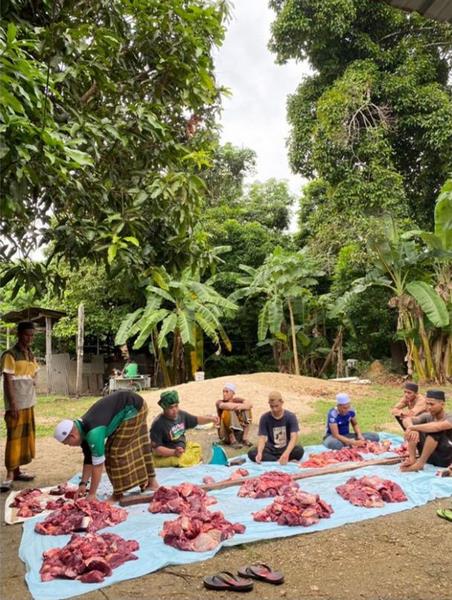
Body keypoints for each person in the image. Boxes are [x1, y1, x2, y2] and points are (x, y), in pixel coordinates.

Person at [53, 390, 158, 502]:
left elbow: (98, 465)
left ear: (72, 436)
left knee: (115, 452)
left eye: (68, 443)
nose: (70, 446)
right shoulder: (81, 429)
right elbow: (89, 459)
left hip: (134, 409)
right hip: (130, 404)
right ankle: (151, 483)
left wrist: (92, 494)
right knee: (131, 445)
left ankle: (118, 494)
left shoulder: (93, 433)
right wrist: (83, 484)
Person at [1, 321, 39, 492]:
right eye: (26, 335)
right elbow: (8, 381)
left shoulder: (30, 354)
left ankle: (17, 471)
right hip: (16, 403)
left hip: (29, 401)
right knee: (14, 437)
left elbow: (34, 373)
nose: (29, 338)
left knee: (26, 436)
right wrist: (13, 404)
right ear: (19, 334)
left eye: (32, 335)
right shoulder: (10, 354)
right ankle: (9, 474)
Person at [150, 390, 219, 467]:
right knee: (182, 460)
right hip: (167, 455)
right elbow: (156, 449)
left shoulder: (181, 414)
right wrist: (173, 452)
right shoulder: (158, 424)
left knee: (196, 447)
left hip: (182, 449)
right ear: (164, 408)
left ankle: (193, 461)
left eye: (176, 406)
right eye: (171, 407)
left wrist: (210, 419)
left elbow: (196, 420)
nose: (174, 410)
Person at [400, 390, 452, 472]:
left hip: (445, 459)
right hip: (430, 457)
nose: (428, 407)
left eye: (432, 404)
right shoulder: (427, 416)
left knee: (435, 431)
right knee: (413, 429)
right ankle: (412, 459)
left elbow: (437, 427)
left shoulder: (450, 417)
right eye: (427, 404)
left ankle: (420, 464)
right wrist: (412, 428)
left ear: (442, 404)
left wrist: (414, 428)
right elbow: (406, 419)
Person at [248, 391, 304, 464]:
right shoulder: (264, 417)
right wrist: (259, 452)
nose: (274, 409)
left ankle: (279, 459)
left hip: (286, 447)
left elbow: (294, 437)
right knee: (252, 453)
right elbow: (262, 437)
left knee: (299, 450)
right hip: (271, 449)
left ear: (282, 402)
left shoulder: (290, 416)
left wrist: (286, 453)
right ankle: (278, 460)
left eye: (276, 406)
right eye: (272, 406)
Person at [215, 383, 253, 448]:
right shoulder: (219, 402)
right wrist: (241, 406)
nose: (224, 394)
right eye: (223, 392)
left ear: (233, 393)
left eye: (227, 392)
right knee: (227, 411)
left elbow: (250, 404)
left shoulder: (237, 400)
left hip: (239, 432)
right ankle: (233, 441)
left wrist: (242, 406)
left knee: (247, 409)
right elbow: (225, 406)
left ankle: (244, 438)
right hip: (225, 434)